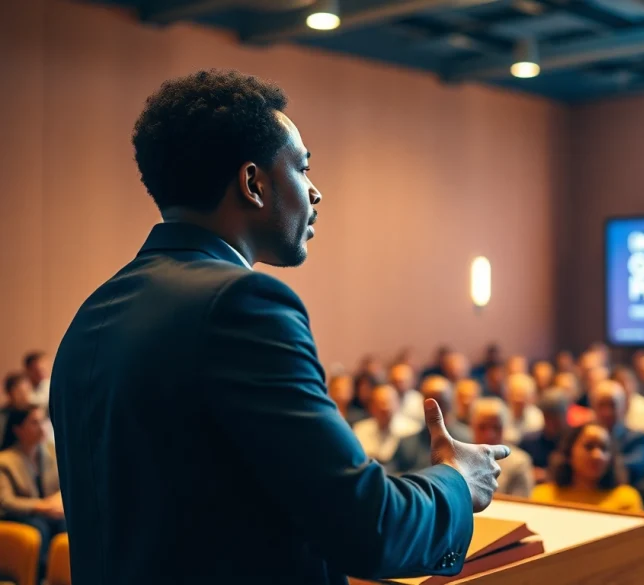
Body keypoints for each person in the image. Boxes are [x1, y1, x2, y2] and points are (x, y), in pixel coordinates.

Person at [49, 70, 508, 585]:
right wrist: (456, 481)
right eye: (303, 168)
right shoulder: (240, 304)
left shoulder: (91, 315)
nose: (315, 193)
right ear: (253, 183)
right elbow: (367, 528)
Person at [0, 407, 65, 578]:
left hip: (46, 511)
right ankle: (36, 578)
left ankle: (60, 576)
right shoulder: (5, 461)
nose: (42, 426)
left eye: (43, 421)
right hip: (16, 515)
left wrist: (55, 503)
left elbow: (62, 485)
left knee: (65, 523)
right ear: (18, 429)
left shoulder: (49, 453)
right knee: (40, 527)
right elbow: (6, 501)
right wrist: (42, 506)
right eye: (34, 422)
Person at [530, 423, 642, 512]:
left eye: (604, 449)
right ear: (569, 454)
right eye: (589, 447)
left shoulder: (626, 499)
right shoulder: (543, 496)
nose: (597, 455)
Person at [468, 398, 534, 498]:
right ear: (471, 427)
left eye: (496, 427)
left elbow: (521, 506)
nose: (489, 435)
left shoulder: (519, 463)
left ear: (506, 428)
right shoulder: (458, 458)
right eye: (482, 427)